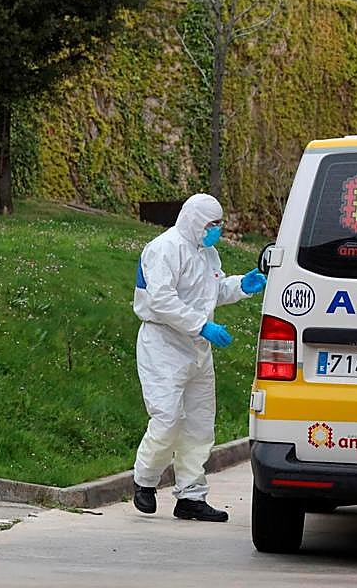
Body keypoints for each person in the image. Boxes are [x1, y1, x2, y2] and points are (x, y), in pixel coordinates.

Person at [130, 193, 267, 522]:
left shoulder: (208, 253)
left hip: (197, 348)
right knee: (167, 419)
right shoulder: (164, 249)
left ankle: (191, 495)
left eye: (219, 224)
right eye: (211, 224)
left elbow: (211, 293)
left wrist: (242, 285)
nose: (216, 229)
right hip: (163, 344)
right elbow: (161, 300)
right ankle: (145, 480)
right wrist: (201, 325)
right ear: (194, 220)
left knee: (199, 424)